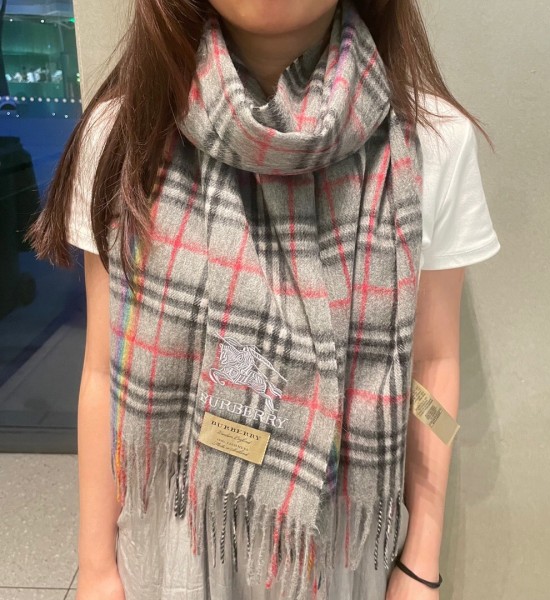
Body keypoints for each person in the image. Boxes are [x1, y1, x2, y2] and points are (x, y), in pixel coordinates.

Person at [27, 1, 500, 599]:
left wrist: (420, 565)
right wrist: (96, 568)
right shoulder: (122, 134)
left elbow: (433, 365)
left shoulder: (431, 142)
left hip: (339, 548)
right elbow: (102, 369)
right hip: (173, 538)